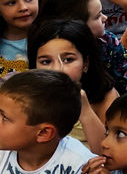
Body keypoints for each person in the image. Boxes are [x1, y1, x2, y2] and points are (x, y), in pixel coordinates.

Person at [28, 19, 118, 150]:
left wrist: (85, 110)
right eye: (46, 62)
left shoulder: (106, 96)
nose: (57, 69)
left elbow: (106, 152)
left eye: (68, 60)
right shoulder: (28, 97)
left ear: (85, 63)